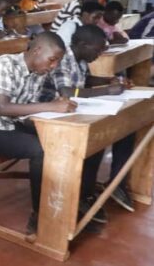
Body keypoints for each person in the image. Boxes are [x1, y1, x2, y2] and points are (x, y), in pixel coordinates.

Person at [0, 32, 81, 234]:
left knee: (58, 140)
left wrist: (54, 110)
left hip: (11, 124)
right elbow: (4, 108)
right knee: (40, 150)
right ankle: (40, 213)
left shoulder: (38, 73)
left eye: (57, 62)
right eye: (52, 59)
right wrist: (52, 107)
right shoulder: (5, 64)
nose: (53, 66)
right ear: (37, 50)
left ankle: (67, 201)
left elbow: (27, 108)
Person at [40, 24, 135, 219]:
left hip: (72, 110)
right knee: (96, 138)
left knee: (126, 129)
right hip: (51, 115)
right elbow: (66, 92)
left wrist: (109, 81)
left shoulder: (81, 59)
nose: (99, 54)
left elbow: (85, 80)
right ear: (83, 44)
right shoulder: (62, 58)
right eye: (97, 50)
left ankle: (116, 183)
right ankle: (84, 194)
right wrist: (107, 91)